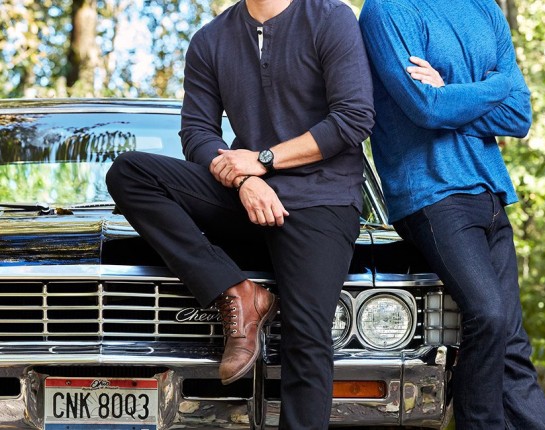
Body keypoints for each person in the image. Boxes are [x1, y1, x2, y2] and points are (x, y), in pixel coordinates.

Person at [106, 0, 374, 428]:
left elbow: (353, 118)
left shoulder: (330, 17)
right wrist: (244, 179)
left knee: (305, 338)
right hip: (244, 197)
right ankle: (237, 291)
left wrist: (263, 160)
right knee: (131, 172)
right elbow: (197, 132)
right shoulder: (210, 40)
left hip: (320, 199)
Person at [359, 1, 545, 428]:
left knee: (511, 342)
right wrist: (493, 85)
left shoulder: (484, 8)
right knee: (488, 314)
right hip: (431, 193)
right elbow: (425, 107)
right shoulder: (387, 11)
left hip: (490, 190)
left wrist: (450, 90)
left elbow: (519, 115)